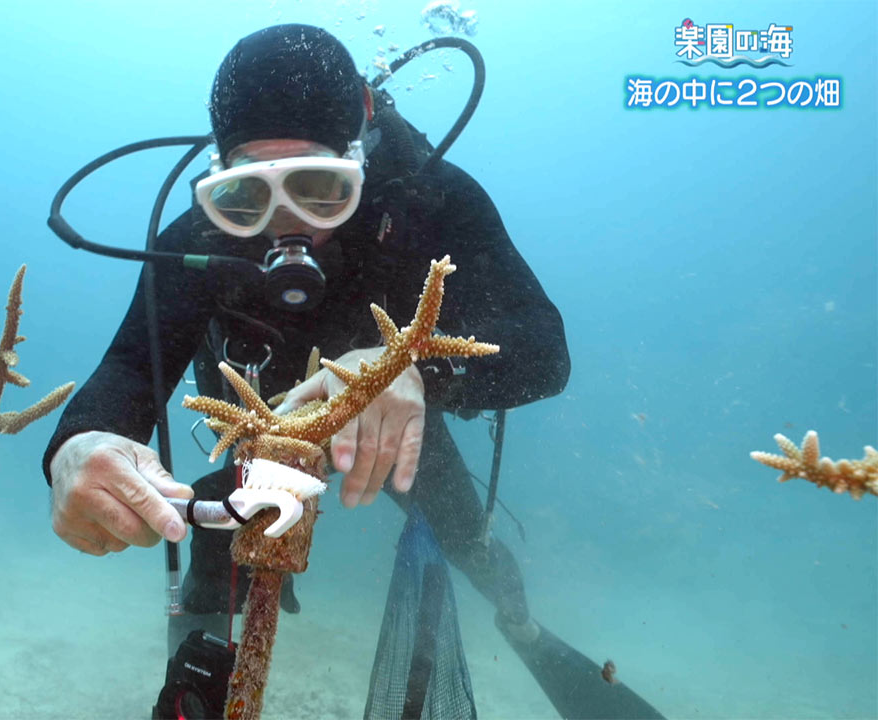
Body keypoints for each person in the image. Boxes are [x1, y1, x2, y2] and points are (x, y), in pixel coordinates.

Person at [44, 24, 661, 720]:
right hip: (258, 436)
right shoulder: (200, 238)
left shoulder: (432, 204)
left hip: (397, 435)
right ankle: (194, 681)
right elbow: (129, 367)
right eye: (248, 195)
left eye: (318, 188)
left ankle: (520, 627)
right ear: (220, 176)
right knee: (211, 561)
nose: (287, 229)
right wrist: (78, 443)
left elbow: (546, 350)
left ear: (360, 150)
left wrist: (414, 369)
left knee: (470, 544)